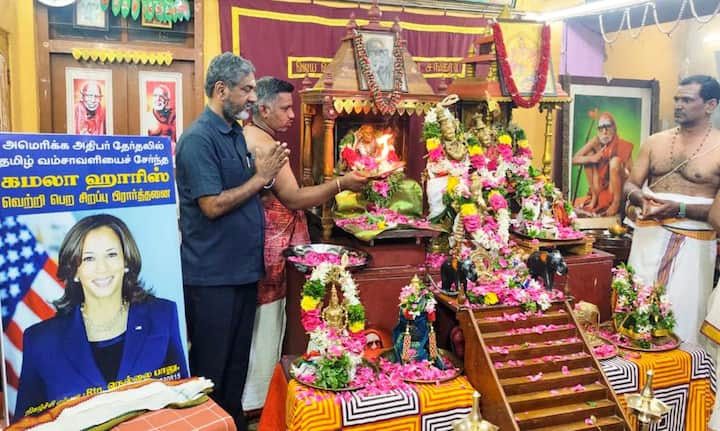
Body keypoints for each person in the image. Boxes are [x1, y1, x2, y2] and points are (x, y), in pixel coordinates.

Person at [174, 53, 289, 431]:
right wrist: (262, 178)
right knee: (212, 371)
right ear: (221, 90)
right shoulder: (197, 139)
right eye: (246, 90)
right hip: (212, 278)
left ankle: (233, 423)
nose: (253, 98)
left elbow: (245, 190)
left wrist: (262, 176)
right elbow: (211, 205)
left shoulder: (235, 133)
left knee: (236, 367)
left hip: (241, 272)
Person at [241, 77, 367, 411]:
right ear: (263, 109)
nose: (293, 115)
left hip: (259, 246)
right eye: (285, 108)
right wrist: (342, 183)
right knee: (266, 327)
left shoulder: (251, 134)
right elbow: (295, 198)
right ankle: (259, 404)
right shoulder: (264, 145)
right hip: (270, 247)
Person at [15, 214, 188, 420]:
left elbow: (183, 398)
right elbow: (26, 423)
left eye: (111, 255)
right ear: (75, 271)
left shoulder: (162, 316)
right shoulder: (40, 340)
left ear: (126, 261)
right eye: (89, 258)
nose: (102, 268)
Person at [624, 75, 720, 348]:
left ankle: (680, 381)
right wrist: (639, 198)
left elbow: (718, 212)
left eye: (687, 100)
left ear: (710, 105)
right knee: (636, 306)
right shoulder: (655, 141)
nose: (678, 105)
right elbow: (631, 182)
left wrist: (678, 208)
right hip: (648, 236)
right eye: (677, 99)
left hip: (693, 244)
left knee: (682, 316)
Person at [572, 112, 634, 216]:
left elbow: (632, 175)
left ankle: (616, 203)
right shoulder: (595, 141)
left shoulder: (623, 145)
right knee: (588, 156)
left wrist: (623, 171)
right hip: (599, 189)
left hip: (616, 189)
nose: (604, 131)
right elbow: (574, 160)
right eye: (601, 128)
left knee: (615, 161)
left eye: (607, 127)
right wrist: (592, 158)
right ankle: (595, 198)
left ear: (614, 128)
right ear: (597, 130)